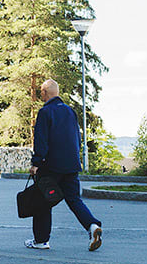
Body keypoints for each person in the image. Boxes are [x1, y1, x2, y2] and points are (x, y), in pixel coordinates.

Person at [27, 79, 102, 251]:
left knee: (42, 202)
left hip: (51, 166)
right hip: (71, 165)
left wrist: (36, 163)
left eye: (41, 92)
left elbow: (41, 141)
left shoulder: (45, 112)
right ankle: (92, 226)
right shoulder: (70, 111)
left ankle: (41, 240)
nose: (40, 95)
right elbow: (77, 138)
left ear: (45, 93)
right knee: (74, 200)